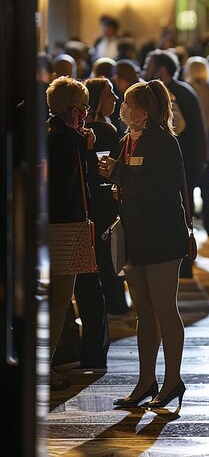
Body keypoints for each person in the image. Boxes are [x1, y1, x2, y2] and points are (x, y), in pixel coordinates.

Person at [98, 80, 190, 410]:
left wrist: (120, 174)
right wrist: (116, 179)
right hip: (135, 235)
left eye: (129, 104)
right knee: (144, 313)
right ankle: (145, 380)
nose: (124, 109)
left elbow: (161, 191)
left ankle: (173, 380)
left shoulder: (163, 142)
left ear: (145, 110)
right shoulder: (127, 141)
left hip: (162, 235)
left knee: (165, 310)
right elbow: (132, 184)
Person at [46, 76, 98, 390]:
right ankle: (45, 368)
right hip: (64, 229)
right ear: (72, 108)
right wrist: (86, 147)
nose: (86, 112)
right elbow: (64, 189)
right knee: (59, 302)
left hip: (54, 228)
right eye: (83, 106)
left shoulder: (52, 132)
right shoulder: (65, 139)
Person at [143, 49, 206, 278]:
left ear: (160, 70)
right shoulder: (183, 89)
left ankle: (181, 263)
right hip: (187, 163)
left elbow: (177, 128)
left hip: (182, 165)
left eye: (149, 65)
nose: (145, 68)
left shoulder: (171, 93)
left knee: (179, 215)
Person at [84, 78, 129, 316]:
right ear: (97, 100)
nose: (115, 98)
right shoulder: (104, 130)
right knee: (109, 253)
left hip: (91, 200)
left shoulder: (85, 130)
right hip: (105, 199)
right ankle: (115, 303)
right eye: (109, 94)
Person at [183, 56, 209, 239]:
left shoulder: (187, 91)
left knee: (188, 190)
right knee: (208, 193)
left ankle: (188, 227)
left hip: (192, 147)